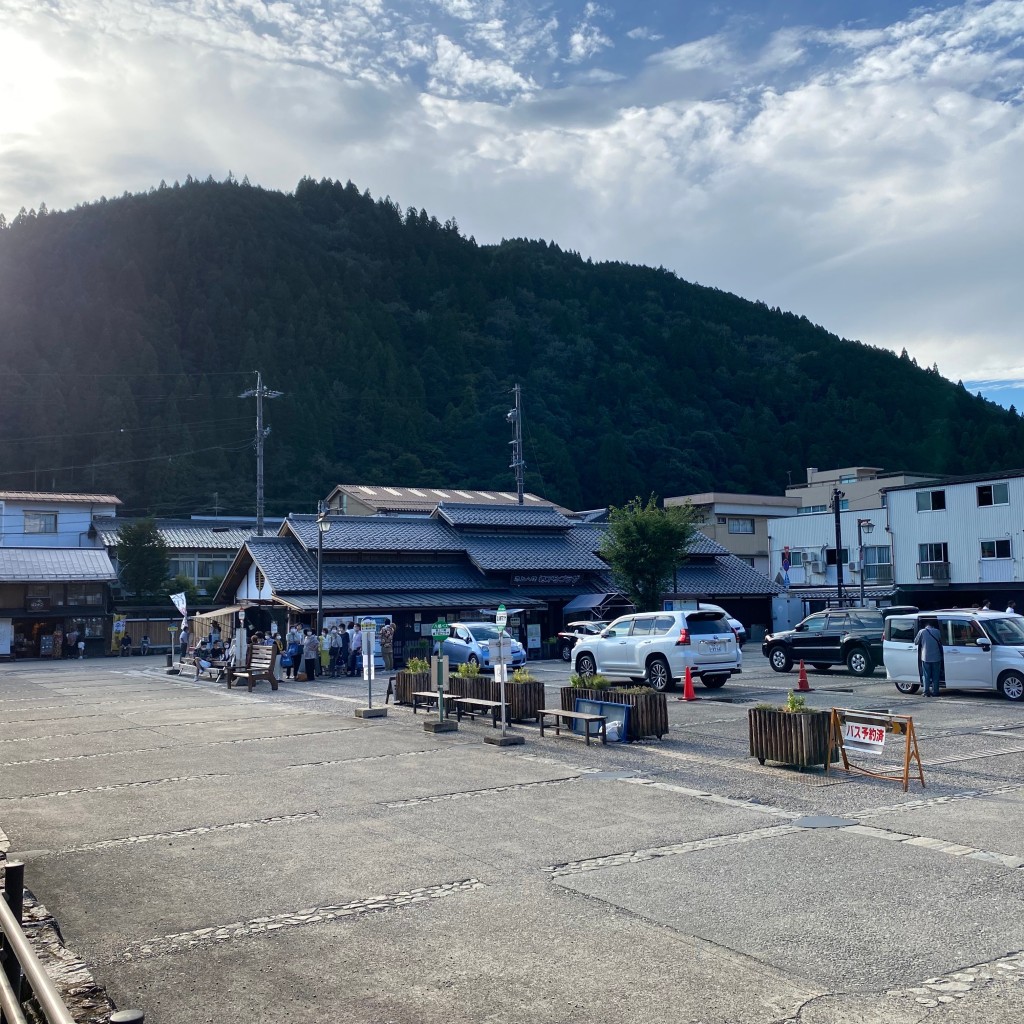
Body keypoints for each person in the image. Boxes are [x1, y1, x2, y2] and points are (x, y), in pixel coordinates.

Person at [915, 617, 943, 697]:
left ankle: (926, 691)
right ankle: (935, 692)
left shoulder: (922, 631)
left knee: (926, 675)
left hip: (925, 657)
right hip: (936, 657)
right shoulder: (938, 632)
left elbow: (916, 642)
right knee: (936, 675)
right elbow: (942, 642)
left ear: (926, 625)